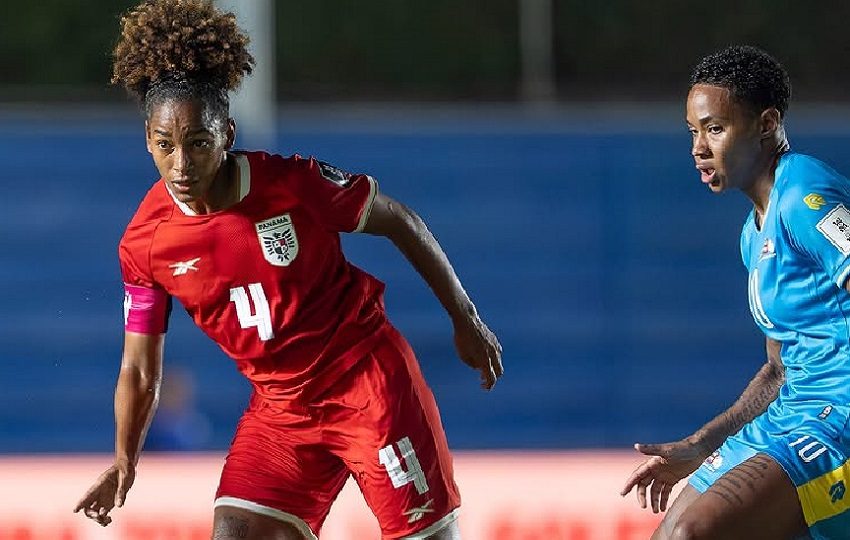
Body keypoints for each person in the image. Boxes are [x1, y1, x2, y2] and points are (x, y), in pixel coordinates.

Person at [72, 1, 503, 538]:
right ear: (148, 142)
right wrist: (124, 461)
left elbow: (399, 219)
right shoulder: (144, 243)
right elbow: (139, 368)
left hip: (368, 385)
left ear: (226, 134)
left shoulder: (293, 185)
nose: (181, 164)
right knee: (236, 532)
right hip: (282, 413)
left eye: (198, 143)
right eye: (165, 146)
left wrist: (465, 318)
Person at [621, 45, 850, 539]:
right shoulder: (754, 232)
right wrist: (699, 446)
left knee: (693, 535)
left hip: (837, 420)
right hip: (790, 413)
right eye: (693, 132)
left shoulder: (803, 195)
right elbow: (777, 370)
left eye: (715, 129)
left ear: (767, 124)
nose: (698, 148)